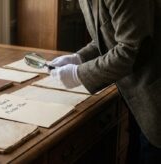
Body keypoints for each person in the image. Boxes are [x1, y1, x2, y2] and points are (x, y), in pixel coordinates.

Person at [49, 0, 161, 163]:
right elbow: (107, 37)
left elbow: (132, 50)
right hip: (136, 100)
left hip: (154, 97)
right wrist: (79, 58)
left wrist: (77, 74)